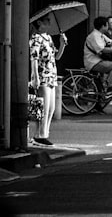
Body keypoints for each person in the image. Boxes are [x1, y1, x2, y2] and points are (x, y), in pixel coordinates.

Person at [29, 16, 67, 146]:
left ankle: (44, 133)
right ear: (39, 22)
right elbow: (33, 57)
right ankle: (39, 135)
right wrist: (35, 76)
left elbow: (56, 56)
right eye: (47, 20)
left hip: (51, 74)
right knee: (43, 107)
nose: (50, 23)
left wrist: (62, 44)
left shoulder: (48, 38)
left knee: (51, 107)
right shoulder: (36, 38)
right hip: (42, 75)